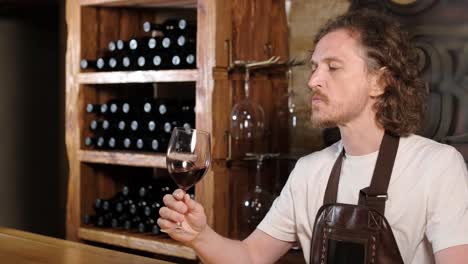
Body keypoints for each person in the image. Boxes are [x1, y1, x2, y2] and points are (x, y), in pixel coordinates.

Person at [157, 9, 468, 264]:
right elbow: (251, 256)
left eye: (333, 67)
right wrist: (199, 236)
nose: (314, 80)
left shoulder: (437, 167)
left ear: (380, 82)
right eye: (315, 67)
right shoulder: (309, 171)